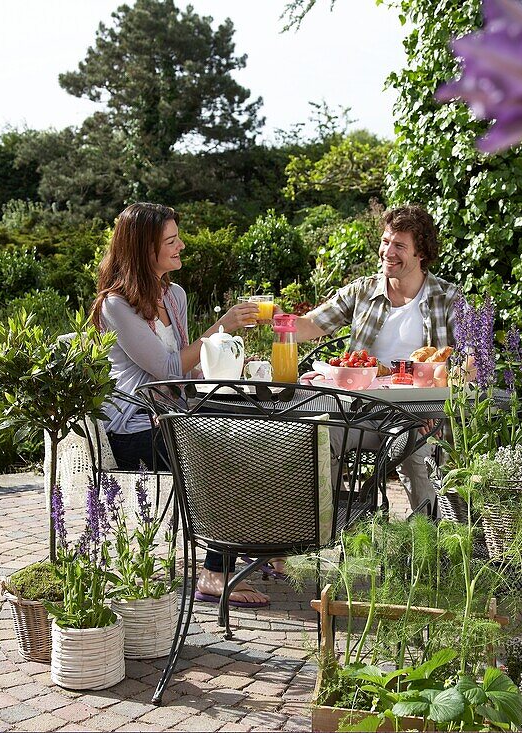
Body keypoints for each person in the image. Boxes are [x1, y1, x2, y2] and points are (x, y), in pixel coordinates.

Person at [89, 202, 270, 608]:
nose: (181, 246)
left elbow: (188, 374)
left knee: (257, 434)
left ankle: (258, 547)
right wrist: (223, 327)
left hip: (174, 415)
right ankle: (215, 571)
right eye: (171, 241)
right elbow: (169, 366)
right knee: (225, 450)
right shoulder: (115, 306)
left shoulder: (174, 295)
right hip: (135, 427)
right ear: (143, 250)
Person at [293, 205, 462, 511]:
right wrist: (273, 320)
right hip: (361, 412)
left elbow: (470, 361)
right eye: (386, 242)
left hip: (417, 416)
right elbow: (310, 325)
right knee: (317, 437)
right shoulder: (363, 291)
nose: (388, 251)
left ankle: (427, 544)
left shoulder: (447, 299)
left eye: (399, 245)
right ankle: (339, 521)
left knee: (418, 453)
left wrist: (437, 404)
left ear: (421, 252)